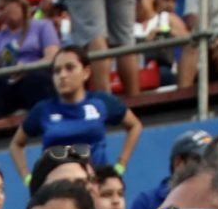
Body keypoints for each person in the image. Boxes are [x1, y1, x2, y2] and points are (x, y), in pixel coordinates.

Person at [10, 47, 140, 185]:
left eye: (70, 68)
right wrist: (28, 178)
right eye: (57, 71)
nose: (62, 75)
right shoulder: (43, 109)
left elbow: (134, 125)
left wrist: (121, 165)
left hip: (95, 185)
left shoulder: (101, 102)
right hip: (55, 190)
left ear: (86, 72)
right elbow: (16, 144)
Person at [0, 0, 62, 117]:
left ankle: (48, 120)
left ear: (17, 3)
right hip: (6, 79)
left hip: (35, 75)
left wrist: (25, 69)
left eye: (2, 8)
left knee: (37, 80)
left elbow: (52, 57)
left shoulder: (43, 26)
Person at [127, 129, 211, 209]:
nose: (206, 166)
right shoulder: (146, 202)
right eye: (199, 159)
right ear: (178, 163)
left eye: (210, 159)